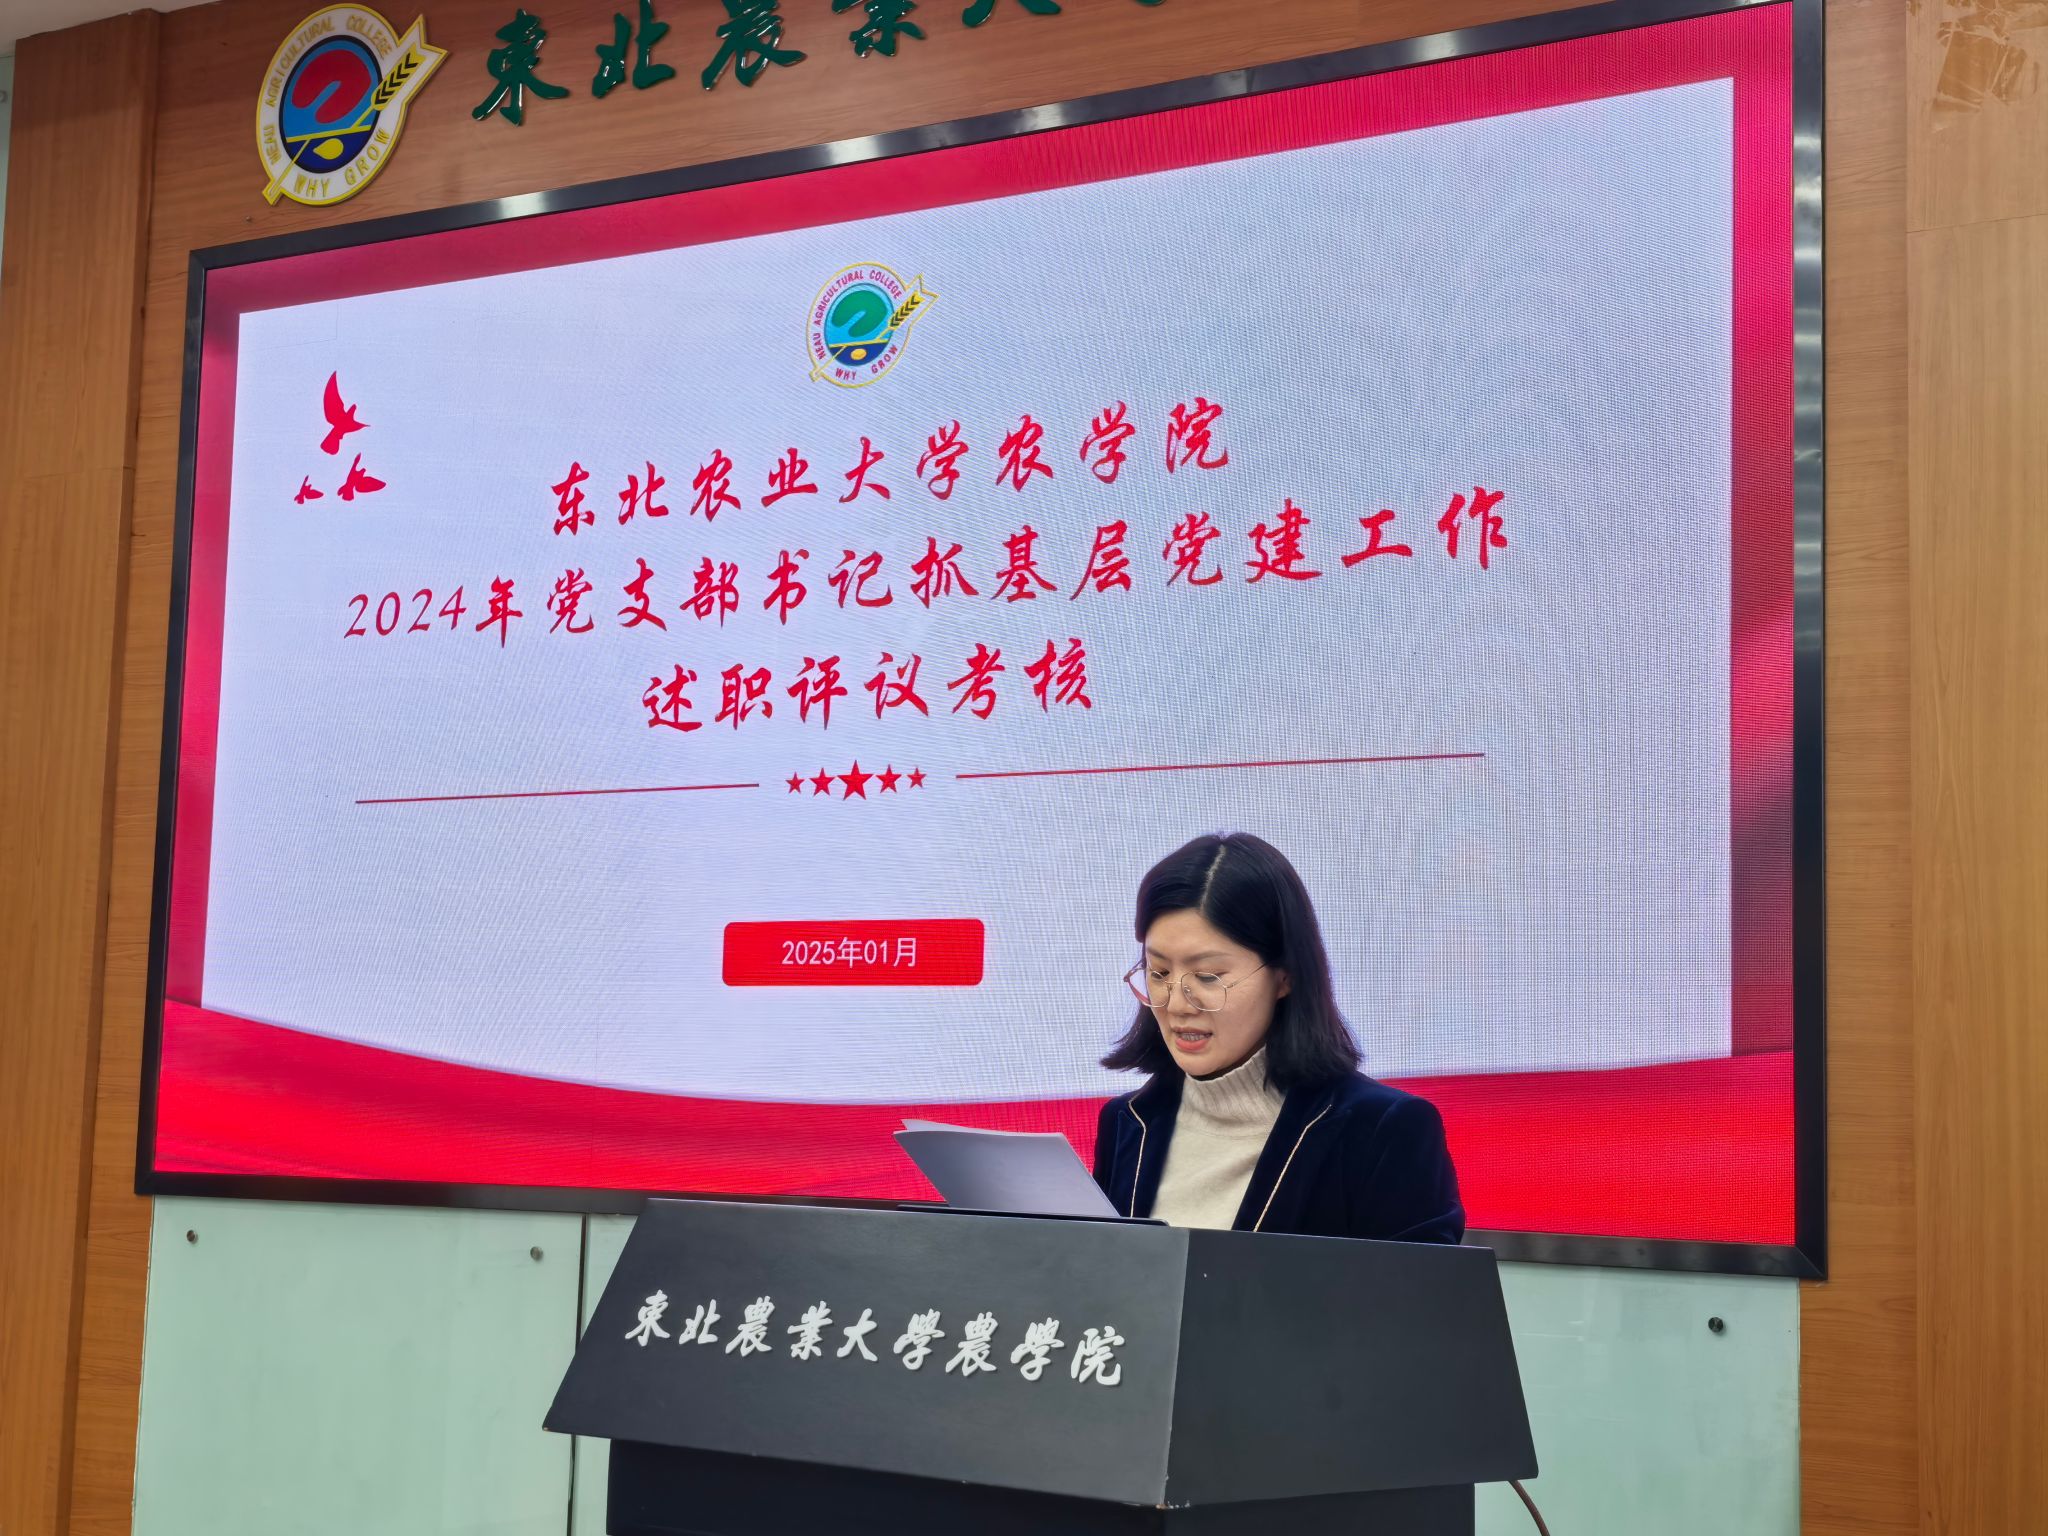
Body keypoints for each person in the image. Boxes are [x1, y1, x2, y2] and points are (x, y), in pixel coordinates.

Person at [1090, 831, 1464, 1242]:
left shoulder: (1385, 1131)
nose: (1176, 1004)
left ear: (1284, 976)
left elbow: (1420, 1285)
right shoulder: (1126, 1123)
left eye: (1208, 976)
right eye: (1159, 972)